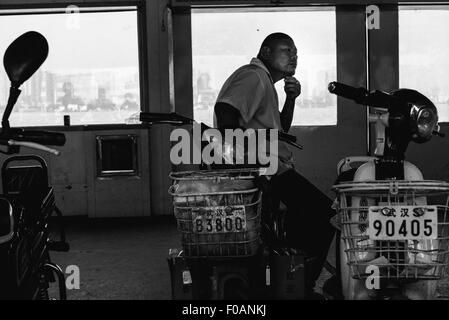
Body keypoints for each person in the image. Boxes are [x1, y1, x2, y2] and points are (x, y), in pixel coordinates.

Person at [213, 32, 336, 298]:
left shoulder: (266, 82)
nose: (293, 56)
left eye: (296, 53)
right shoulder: (252, 75)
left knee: (282, 231)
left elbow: (281, 129)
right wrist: (243, 166)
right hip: (266, 170)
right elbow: (225, 111)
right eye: (287, 50)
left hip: (273, 168)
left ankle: (287, 282)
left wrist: (290, 99)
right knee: (325, 214)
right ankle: (300, 285)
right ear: (266, 52)